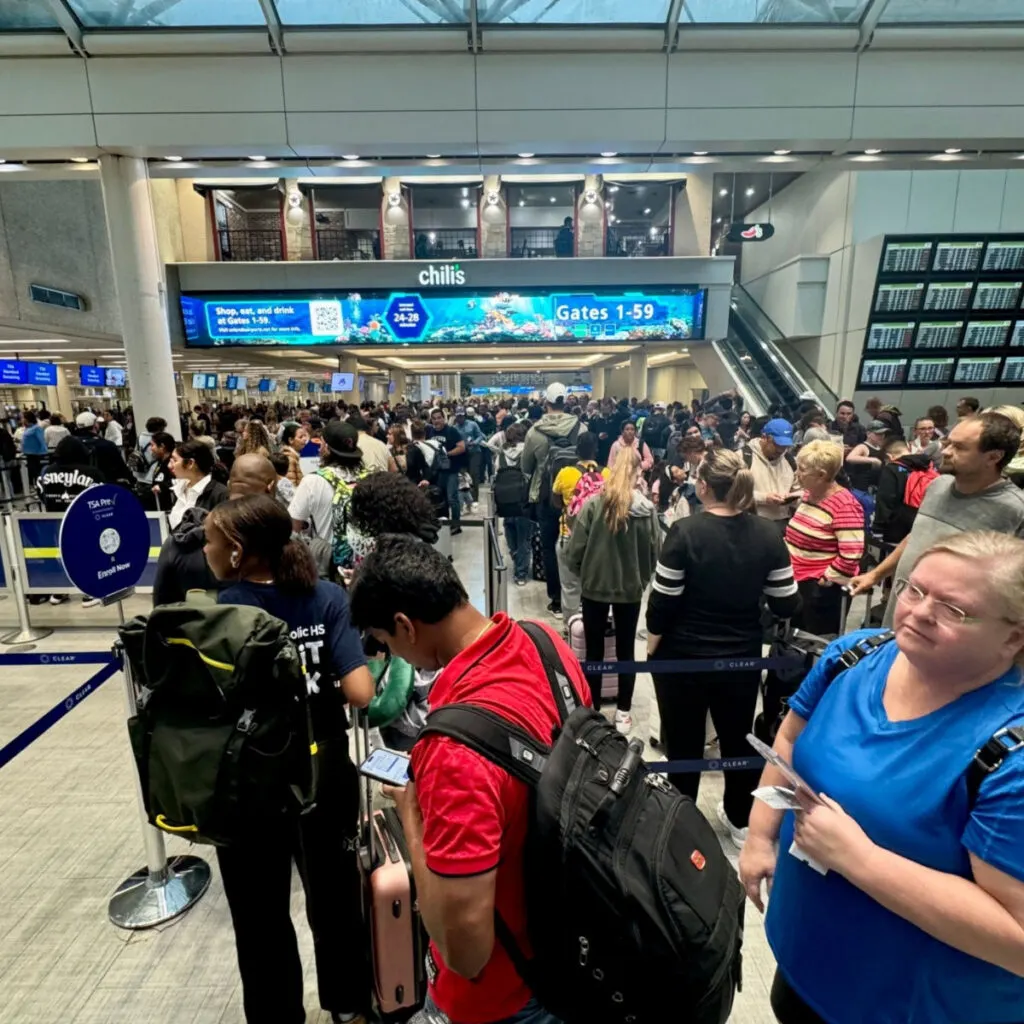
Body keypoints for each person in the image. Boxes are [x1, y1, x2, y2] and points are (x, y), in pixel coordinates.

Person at [740, 531, 1024, 1024]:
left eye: (954, 609)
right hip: (806, 962)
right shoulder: (854, 655)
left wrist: (859, 858)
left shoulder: (1009, 756)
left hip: (907, 1004)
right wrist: (761, 835)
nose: (918, 611)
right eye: (914, 589)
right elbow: (788, 744)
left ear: (1014, 636)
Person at [348, 537, 590, 1024]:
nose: (390, 654)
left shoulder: (454, 750)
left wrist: (411, 815)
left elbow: (465, 953)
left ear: (404, 625)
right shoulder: (545, 642)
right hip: (572, 948)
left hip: (504, 995)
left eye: (385, 642)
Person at [204, 494, 374, 1024]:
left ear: (236, 552)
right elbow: (362, 691)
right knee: (336, 900)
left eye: (211, 541)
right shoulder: (325, 596)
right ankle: (348, 1004)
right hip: (322, 776)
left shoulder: (215, 614)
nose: (204, 549)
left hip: (245, 789)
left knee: (259, 917)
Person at [647, 447, 799, 847]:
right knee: (736, 737)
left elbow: (662, 603)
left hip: (682, 659)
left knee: (683, 742)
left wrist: (652, 645)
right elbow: (787, 601)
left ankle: (681, 824)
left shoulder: (685, 532)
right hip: (741, 657)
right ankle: (738, 819)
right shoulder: (769, 535)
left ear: (702, 486)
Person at [850, 413, 1024, 625]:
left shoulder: (1016, 511)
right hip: (902, 610)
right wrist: (875, 575)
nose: (946, 451)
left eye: (959, 447)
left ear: (993, 457)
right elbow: (916, 536)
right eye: (948, 443)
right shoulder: (938, 485)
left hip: (946, 631)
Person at [565, 447, 659, 735]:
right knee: (626, 651)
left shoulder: (594, 505)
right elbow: (655, 551)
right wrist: (641, 577)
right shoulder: (646, 509)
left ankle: (592, 710)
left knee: (593, 651)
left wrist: (586, 572)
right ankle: (624, 711)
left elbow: (574, 552)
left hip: (594, 587)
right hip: (630, 590)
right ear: (637, 473)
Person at [152, 453, 278, 607]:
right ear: (271, 486)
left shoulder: (179, 543)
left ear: (229, 484)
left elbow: (161, 613)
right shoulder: (285, 541)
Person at [785, 439, 865, 636]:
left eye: (802, 470)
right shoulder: (810, 494)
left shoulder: (845, 505)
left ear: (821, 475)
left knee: (812, 643)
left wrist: (826, 580)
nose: (797, 473)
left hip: (818, 591)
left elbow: (852, 553)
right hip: (797, 580)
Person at [521, 383, 580, 615]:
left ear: (546, 403)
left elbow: (526, 466)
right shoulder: (580, 427)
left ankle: (556, 600)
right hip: (576, 496)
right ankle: (577, 597)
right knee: (578, 545)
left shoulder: (534, 432)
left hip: (545, 496)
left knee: (549, 546)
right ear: (565, 402)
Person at [289, 420, 367, 566]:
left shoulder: (313, 481)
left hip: (329, 562)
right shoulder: (371, 477)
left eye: (322, 444)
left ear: (328, 449)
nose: (319, 449)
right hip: (365, 563)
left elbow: (293, 527)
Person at [551, 430, 608, 619]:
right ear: (596, 450)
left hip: (569, 533)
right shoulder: (607, 473)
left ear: (577, 451)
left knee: (569, 586)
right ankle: (596, 626)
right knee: (598, 586)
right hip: (599, 537)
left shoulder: (565, 473)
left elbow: (556, 502)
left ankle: (571, 629)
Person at [873, 435, 936, 546]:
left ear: (889, 457)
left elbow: (885, 500)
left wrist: (878, 529)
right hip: (920, 529)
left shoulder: (892, 469)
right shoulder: (926, 467)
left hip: (896, 531)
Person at [495, 422, 533, 587]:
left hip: (505, 501)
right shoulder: (527, 452)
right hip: (523, 500)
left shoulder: (501, 454)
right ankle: (521, 573)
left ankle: (516, 557)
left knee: (509, 530)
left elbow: (496, 471)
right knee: (524, 537)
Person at [746, 418, 799, 532]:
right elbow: (733, 494)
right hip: (753, 523)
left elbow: (798, 488)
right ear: (764, 437)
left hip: (783, 523)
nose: (780, 450)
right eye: (777, 444)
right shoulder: (744, 457)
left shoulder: (789, 460)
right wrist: (764, 498)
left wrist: (794, 496)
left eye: (785, 446)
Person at [167, 439, 228, 531]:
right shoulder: (181, 488)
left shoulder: (219, 494)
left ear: (190, 463)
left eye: (174, 460)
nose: (169, 465)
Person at [425, 407, 467, 536]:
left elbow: (461, 447)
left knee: (452, 498)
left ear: (444, 418)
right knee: (439, 498)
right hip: (436, 471)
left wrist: (447, 454)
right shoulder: (429, 431)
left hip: (451, 470)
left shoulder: (452, 431)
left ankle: (456, 525)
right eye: (434, 418)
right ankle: (443, 524)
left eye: (439, 418)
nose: (437, 421)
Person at [453, 407, 485, 507]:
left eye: (462, 416)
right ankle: (466, 499)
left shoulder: (473, 424)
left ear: (464, 415)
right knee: (463, 476)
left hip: (474, 452)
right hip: (462, 454)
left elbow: (480, 436)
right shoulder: (454, 428)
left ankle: (475, 498)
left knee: (474, 474)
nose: (460, 418)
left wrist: (474, 443)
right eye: (458, 416)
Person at [147, 431, 177, 512]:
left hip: (169, 509)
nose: (151, 448)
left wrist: (162, 487)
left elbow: (178, 481)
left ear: (162, 447)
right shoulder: (160, 461)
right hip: (159, 505)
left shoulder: (173, 463)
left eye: (152, 445)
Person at [279, 422, 308, 487]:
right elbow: (291, 485)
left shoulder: (296, 456)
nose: (305, 439)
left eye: (305, 436)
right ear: (291, 440)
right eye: (301, 437)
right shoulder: (289, 459)